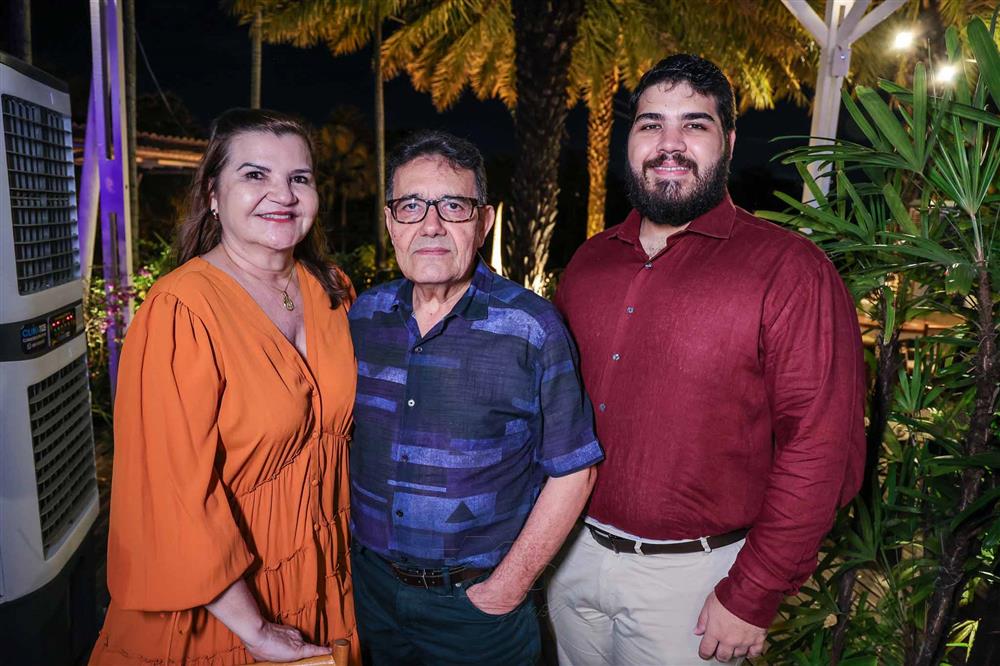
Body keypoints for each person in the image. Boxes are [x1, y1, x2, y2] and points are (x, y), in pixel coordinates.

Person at [547, 54, 866, 665]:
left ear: (729, 142)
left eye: (694, 124)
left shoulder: (790, 270)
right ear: (630, 140)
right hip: (570, 559)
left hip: (696, 585)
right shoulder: (588, 263)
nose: (669, 144)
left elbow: (821, 448)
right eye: (651, 124)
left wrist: (754, 593)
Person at [89, 109, 359, 665]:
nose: (282, 195)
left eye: (299, 178)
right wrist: (254, 629)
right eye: (255, 175)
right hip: (222, 608)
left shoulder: (332, 291)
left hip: (326, 580)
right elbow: (170, 492)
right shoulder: (181, 310)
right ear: (213, 193)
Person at [347, 130, 604, 665]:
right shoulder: (363, 317)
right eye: (411, 206)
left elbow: (574, 471)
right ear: (391, 223)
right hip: (371, 598)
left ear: (483, 222)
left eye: (453, 206)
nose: (431, 225)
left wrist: (506, 589)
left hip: (477, 611)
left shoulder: (530, 327)